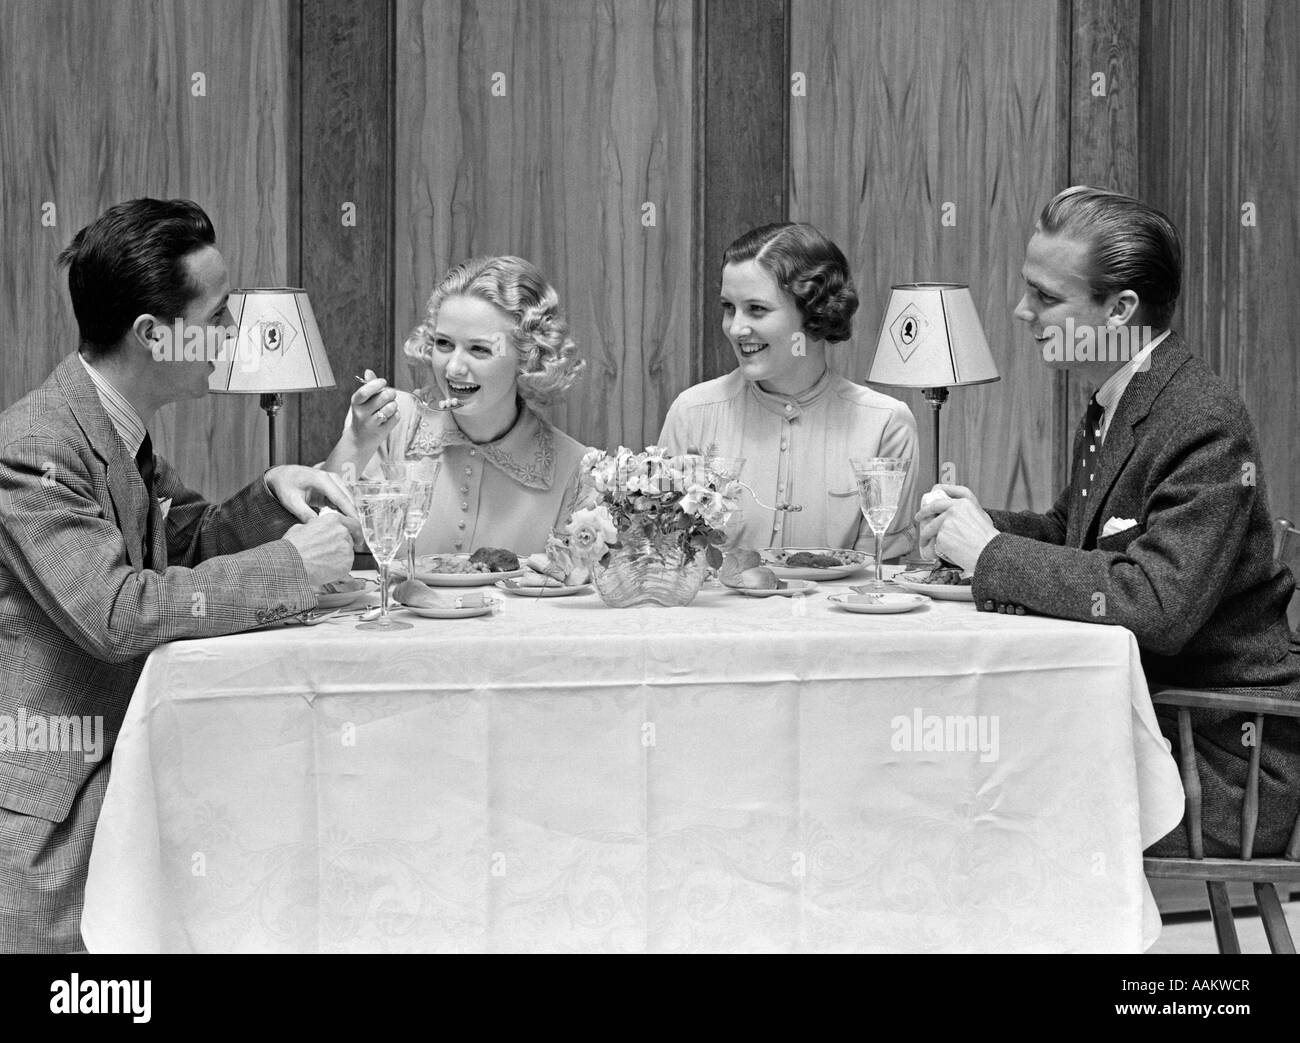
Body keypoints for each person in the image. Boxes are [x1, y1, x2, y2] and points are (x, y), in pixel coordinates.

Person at [0, 198, 360, 952]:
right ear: (153, 335)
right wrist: (292, 564)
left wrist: (273, 493)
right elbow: (114, 610)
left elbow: (184, 542)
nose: (231, 335)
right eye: (218, 314)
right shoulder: (36, 445)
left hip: (125, 787)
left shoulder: (114, 426)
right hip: (48, 822)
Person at [917, 185, 1300, 857]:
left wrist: (991, 552)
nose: (1022, 311)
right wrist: (971, 527)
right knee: (937, 772)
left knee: (960, 801)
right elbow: (1072, 531)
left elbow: (1158, 603)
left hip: (1213, 760)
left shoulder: (1201, 420)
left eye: (1046, 296)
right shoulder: (1115, 399)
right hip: (1137, 722)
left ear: (1120, 309)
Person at [657, 222, 918, 558]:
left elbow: (878, 578)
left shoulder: (886, 425)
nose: (735, 328)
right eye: (728, 308)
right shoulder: (691, 413)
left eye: (757, 309)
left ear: (815, 312)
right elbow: (667, 562)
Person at [324, 256, 588, 556]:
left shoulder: (574, 469)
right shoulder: (390, 421)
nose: (453, 368)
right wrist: (357, 442)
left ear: (529, 357)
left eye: (479, 349)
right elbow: (319, 531)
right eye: (444, 344)